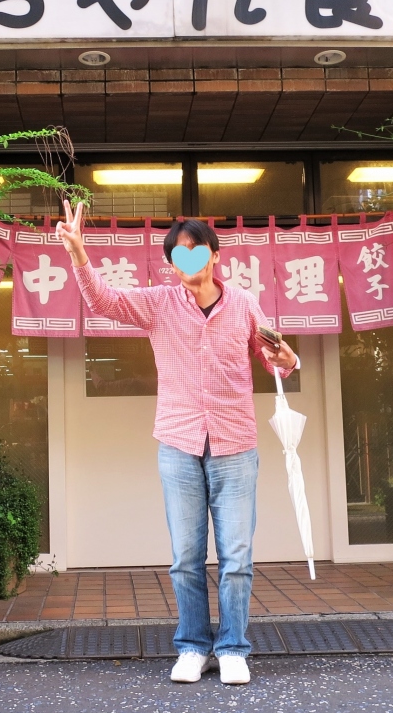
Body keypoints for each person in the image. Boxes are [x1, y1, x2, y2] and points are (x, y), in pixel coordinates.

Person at [55, 200, 298, 686]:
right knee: (186, 557)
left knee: (236, 558)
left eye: (196, 251)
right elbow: (105, 301)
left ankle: (232, 647)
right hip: (178, 441)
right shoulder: (159, 303)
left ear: (214, 256)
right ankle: (192, 646)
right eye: (177, 256)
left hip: (235, 443)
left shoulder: (245, 305)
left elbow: (272, 359)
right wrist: (80, 254)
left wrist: (288, 360)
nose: (187, 261)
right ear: (171, 265)